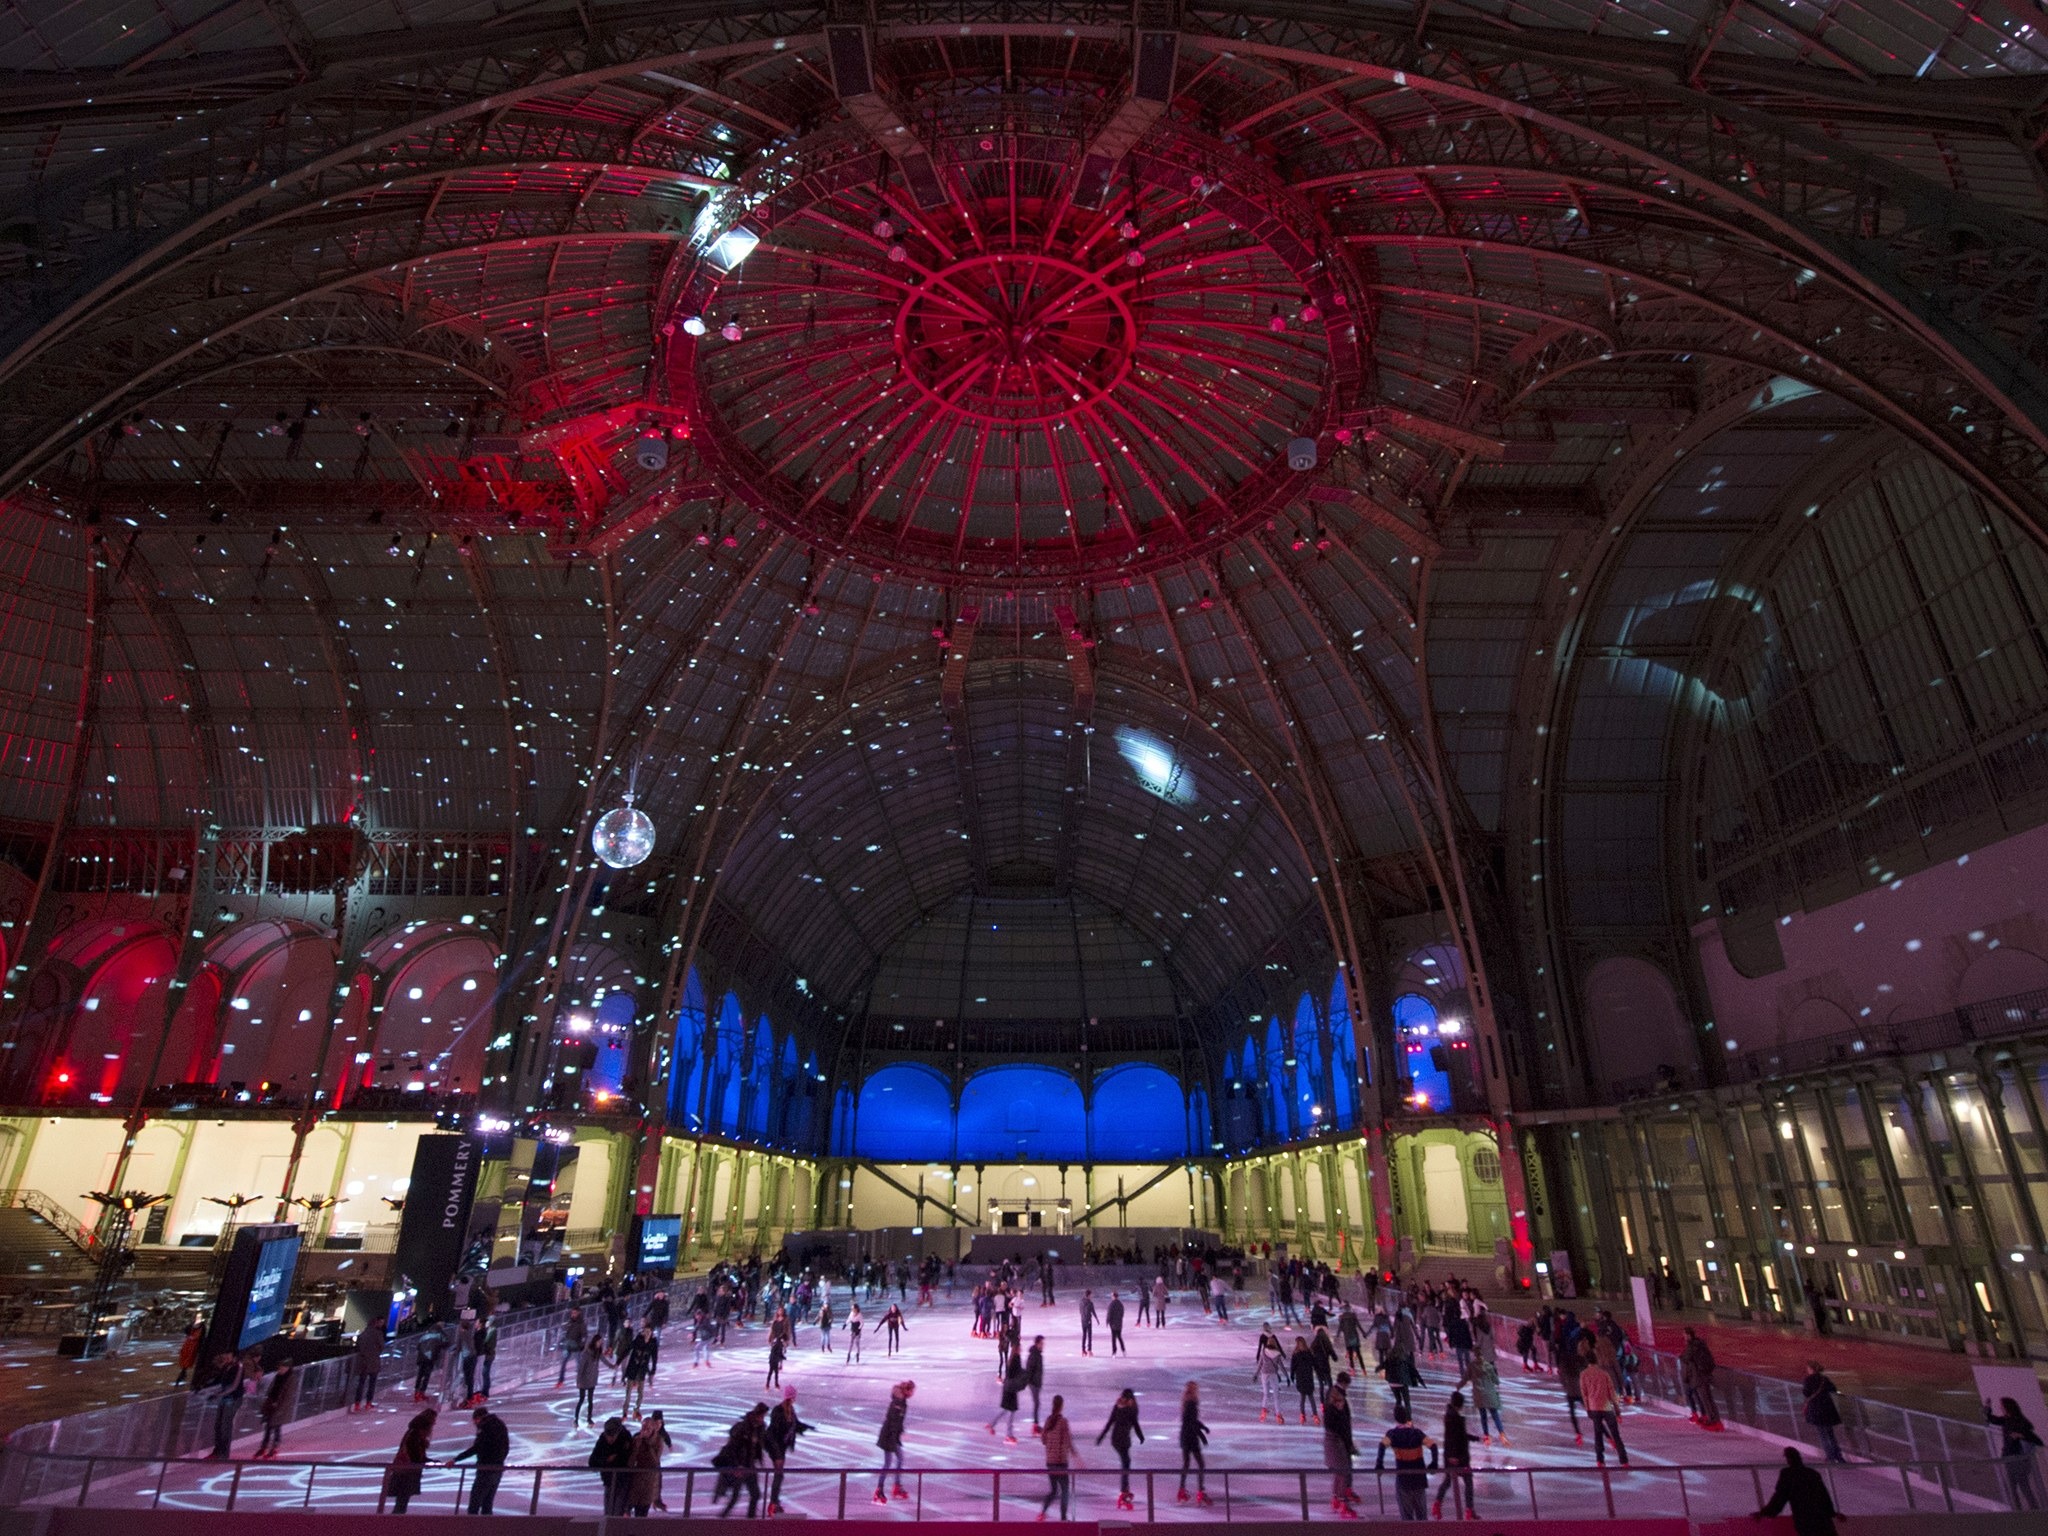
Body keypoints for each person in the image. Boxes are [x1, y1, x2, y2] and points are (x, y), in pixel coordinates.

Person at [1752, 1446, 1839, 1536]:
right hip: (1822, 1519)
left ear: (1788, 1459)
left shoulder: (1788, 1474)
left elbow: (1779, 1498)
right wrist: (1832, 1513)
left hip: (1804, 1520)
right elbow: (1824, 1496)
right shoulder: (1812, 1473)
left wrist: (1764, 1512)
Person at [1374, 1406, 1438, 1521]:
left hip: (1403, 1480)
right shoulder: (1417, 1433)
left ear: (1395, 1418)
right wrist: (1434, 1463)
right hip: (1419, 1480)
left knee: (1407, 1518)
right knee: (1422, 1517)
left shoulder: (1393, 1434)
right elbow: (1433, 1446)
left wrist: (1380, 1463)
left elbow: (1382, 1445)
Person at [449, 1404, 510, 1515]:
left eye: (475, 1421)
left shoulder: (485, 1427)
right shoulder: (500, 1424)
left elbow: (477, 1448)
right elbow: (506, 1447)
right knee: (488, 1502)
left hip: (486, 1469)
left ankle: (472, 1528)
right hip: (498, 1468)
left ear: (478, 1418)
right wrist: (500, 1461)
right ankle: (485, 1528)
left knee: (475, 1501)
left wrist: (456, 1459)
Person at [1987, 1395, 2043, 1510]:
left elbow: (2037, 1440)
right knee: (2014, 1486)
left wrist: (2020, 1435)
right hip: (2009, 1458)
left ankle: (2031, 1510)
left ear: (2007, 1407)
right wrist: (1987, 1408)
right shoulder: (2008, 1419)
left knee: (2020, 1486)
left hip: (2017, 1459)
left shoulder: (2018, 1421)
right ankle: (2021, 1510)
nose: (2000, 1408)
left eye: (2002, 1406)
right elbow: (1992, 1419)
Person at [711, 1405, 767, 1519]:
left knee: (755, 1494)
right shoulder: (743, 1427)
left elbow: (758, 1445)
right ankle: (722, 1518)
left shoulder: (760, 1428)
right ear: (757, 1415)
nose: (763, 1418)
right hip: (740, 1465)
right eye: (762, 1416)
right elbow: (733, 1447)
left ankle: (751, 1519)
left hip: (750, 1465)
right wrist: (737, 1465)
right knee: (735, 1497)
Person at [764, 1388, 811, 1516]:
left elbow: (795, 1424)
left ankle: (774, 1503)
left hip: (781, 1447)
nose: (795, 1399)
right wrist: (777, 1453)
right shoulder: (778, 1411)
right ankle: (773, 1504)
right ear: (790, 1397)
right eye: (793, 1396)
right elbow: (774, 1432)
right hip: (775, 1447)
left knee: (779, 1475)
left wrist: (806, 1427)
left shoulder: (790, 1410)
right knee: (778, 1475)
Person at [1096, 1386, 1144, 1511]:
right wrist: (1140, 1436)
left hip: (1118, 1440)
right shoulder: (1128, 1409)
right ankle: (1123, 1492)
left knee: (1126, 1463)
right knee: (1126, 1463)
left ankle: (1125, 1490)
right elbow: (1134, 1424)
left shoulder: (1120, 1407)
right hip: (1120, 1441)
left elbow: (1110, 1423)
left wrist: (1101, 1437)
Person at [1580, 1350, 1627, 1466]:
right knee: (1616, 1434)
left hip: (1593, 1407)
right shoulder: (1604, 1373)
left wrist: (1588, 1409)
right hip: (1606, 1406)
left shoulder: (1584, 1374)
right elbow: (1611, 1392)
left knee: (1598, 1434)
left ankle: (1600, 1460)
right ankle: (1624, 1460)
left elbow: (1584, 1393)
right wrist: (1617, 1410)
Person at [386, 1408, 436, 1514]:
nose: (434, 1424)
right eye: (433, 1422)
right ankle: (395, 1524)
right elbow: (416, 1457)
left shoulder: (415, 1435)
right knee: (402, 1501)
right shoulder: (415, 1436)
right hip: (406, 1474)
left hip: (407, 1473)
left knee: (402, 1501)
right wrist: (428, 1462)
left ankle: (396, 1522)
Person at [1433, 1389, 1473, 1519]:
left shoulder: (1450, 1416)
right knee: (1468, 1481)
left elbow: (1458, 1437)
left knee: (1448, 1480)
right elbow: (1456, 1438)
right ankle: (1469, 1511)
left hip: (1452, 1455)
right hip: (1458, 1457)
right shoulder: (1455, 1418)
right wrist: (1454, 1456)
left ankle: (1437, 1505)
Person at [1458, 1339, 1506, 1445]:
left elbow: (1465, 1378)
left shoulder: (1472, 1366)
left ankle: (1486, 1436)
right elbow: (1496, 1381)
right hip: (1490, 1394)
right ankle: (1502, 1434)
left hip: (1479, 1395)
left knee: (1483, 1415)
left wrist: (1458, 1386)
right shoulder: (1489, 1366)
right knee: (1495, 1415)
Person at [1323, 1371, 1358, 1517]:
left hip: (1333, 1443)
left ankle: (1336, 1499)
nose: (1343, 1404)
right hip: (1337, 1444)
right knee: (1343, 1473)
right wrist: (1349, 1444)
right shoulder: (1335, 1412)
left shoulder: (1332, 1408)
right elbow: (1343, 1429)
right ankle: (1343, 1502)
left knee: (1339, 1474)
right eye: (1341, 1403)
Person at [873, 1380, 913, 1504]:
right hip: (889, 1436)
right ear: (906, 1390)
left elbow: (898, 1421)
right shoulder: (898, 1403)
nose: (912, 1393)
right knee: (888, 1463)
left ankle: (896, 1486)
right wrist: (894, 1437)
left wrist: (902, 1432)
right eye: (911, 1391)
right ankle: (880, 1490)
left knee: (898, 1460)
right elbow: (892, 1420)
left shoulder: (902, 1402)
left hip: (892, 1436)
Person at [1037, 1394, 1076, 1522]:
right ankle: (1063, 1518)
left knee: (1054, 1490)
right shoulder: (1063, 1422)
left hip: (1050, 1462)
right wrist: (1075, 1454)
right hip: (1060, 1462)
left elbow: (1043, 1439)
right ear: (1062, 1406)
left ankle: (1042, 1512)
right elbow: (1068, 1440)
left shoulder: (1048, 1421)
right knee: (1065, 1490)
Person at [628, 1410, 674, 1517]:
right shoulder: (636, 1438)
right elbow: (630, 1462)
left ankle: (657, 1501)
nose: (644, 1431)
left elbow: (655, 1461)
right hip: (635, 1483)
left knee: (642, 1514)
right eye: (643, 1428)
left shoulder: (658, 1440)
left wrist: (648, 1445)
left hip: (648, 1483)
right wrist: (636, 1447)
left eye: (647, 1428)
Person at [588, 1414, 634, 1518]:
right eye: (608, 1436)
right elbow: (592, 1461)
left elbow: (625, 1461)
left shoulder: (626, 1440)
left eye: (613, 1436)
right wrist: (606, 1460)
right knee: (608, 1514)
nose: (610, 1439)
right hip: (608, 1481)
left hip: (622, 1483)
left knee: (617, 1514)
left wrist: (609, 1461)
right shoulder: (603, 1439)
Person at [205, 1350, 246, 1459]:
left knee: (225, 1425)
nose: (226, 1357)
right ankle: (217, 1450)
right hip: (225, 1398)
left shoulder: (239, 1367)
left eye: (229, 1354)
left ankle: (223, 1453)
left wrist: (218, 1395)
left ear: (234, 1356)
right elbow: (218, 1379)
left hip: (233, 1398)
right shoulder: (227, 1366)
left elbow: (234, 1386)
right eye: (225, 1355)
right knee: (218, 1425)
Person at [1681, 1326, 1724, 1429]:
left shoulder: (1693, 1346)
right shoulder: (1700, 1344)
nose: (1684, 1337)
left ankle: (1713, 1420)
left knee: (1706, 1399)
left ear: (1688, 1335)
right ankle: (1714, 1420)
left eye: (1685, 1335)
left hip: (1699, 1376)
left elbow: (1685, 1357)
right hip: (1703, 1375)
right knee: (1708, 1399)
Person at [1802, 1362, 1846, 1464]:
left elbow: (1806, 1393)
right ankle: (1839, 1457)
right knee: (1830, 1434)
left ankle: (1830, 1457)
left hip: (1816, 1410)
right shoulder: (1824, 1379)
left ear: (1811, 1369)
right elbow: (1834, 1390)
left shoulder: (1808, 1380)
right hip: (1828, 1409)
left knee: (1822, 1435)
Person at [255, 1358, 298, 1459]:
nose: (280, 1369)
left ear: (287, 1368)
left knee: (276, 1427)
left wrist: (280, 1408)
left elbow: (288, 1396)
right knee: (268, 1427)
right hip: (271, 1405)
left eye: (282, 1367)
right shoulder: (278, 1376)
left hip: (280, 1408)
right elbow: (272, 1389)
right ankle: (264, 1447)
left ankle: (274, 1448)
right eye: (279, 1367)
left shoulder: (291, 1379)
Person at [1176, 1380, 1210, 1504]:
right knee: (1200, 1464)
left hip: (1185, 1436)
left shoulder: (1186, 1403)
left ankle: (1181, 1490)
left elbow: (1192, 1421)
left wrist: (1203, 1428)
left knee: (1186, 1464)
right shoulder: (1192, 1404)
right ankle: (1200, 1491)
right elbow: (1193, 1423)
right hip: (1191, 1438)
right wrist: (1202, 1435)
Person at [989, 1347, 1027, 1442]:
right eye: (1020, 1348)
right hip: (1011, 1388)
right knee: (1011, 1410)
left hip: (1008, 1387)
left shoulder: (1011, 1359)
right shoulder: (1016, 1359)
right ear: (1017, 1350)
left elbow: (1013, 1372)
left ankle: (992, 1424)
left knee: (1006, 1410)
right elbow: (1017, 1372)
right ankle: (1008, 1435)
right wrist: (1026, 1374)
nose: (1021, 1349)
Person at [1253, 1329, 1284, 1423]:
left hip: (1264, 1374)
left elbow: (1260, 1364)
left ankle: (1263, 1410)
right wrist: (1287, 1376)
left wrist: (1256, 1374)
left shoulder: (1264, 1352)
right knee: (1276, 1395)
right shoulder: (1277, 1354)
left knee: (1266, 1393)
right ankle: (1278, 1414)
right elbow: (1281, 1366)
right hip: (1273, 1374)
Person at [1291, 1336, 1322, 1424]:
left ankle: (1302, 1415)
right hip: (1308, 1377)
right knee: (1310, 1397)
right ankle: (1315, 1415)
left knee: (1303, 1397)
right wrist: (1318, 1372)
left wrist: (1292, 1375)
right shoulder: (1309, 1353)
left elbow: (1293, 1367)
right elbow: (1315, 1364)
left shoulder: (1296, 1354)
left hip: (1301, 1378)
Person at [557, 1307, 588, 1386]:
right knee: (563, 1362)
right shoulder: (570, 1322)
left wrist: (582, 1345)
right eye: (572, 1313)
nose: (573, 1314)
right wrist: (563, 1343)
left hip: (577, 1345)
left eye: (575, 1313)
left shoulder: (581, 1323)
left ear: (579, 1313)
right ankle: (560, 1380)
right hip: (568, 1345)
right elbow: (566, 1333)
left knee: (578, 1364)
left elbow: (584, 1335)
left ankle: (582, 1379)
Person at [1025, 1335, 1046, 1431]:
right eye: (1041, 1343)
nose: (1043, 1345)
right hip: (1034, 1383)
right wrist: (1032, 1381)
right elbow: (1029, 1370)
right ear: (1037, 1344)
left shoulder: (1038, 1354)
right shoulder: (1034, 1355)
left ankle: (1036, 1425)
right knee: (1037, 1403)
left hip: (1036, 1382)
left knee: (1037, 1403)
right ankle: (1035, 1426)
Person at [174, 1321, 203, 1387]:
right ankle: (183, 1374)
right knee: (186, 1362)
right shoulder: (194, 1335)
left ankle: (183, 1374)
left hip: (190, 1347)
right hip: (191, 1347)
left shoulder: (191, 1337)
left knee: (186, 1362)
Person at [1106, 1291, 1126, 1356]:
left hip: (1113, 1324)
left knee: (1113, 1338)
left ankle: (1114, 1352)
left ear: (1113, 1296)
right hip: (1119, 1323)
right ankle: (1123, 1350)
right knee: (1119, 1337)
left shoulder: (1111, 1304)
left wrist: (1107, 1321)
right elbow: (1122, 1313)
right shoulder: (1120, 1304)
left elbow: (1109, 1313)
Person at [1078, 1291, 1096, 1356]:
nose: (1091, 1296)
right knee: (1089, 1335)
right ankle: (1089, 1350)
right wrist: (1096, 1319)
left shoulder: (1081, 1302)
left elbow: (1080, 1311)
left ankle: (1083, 1350)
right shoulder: (1090, 1303)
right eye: (1091, 1295)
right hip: (1088, 1321)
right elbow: (1093, 1311)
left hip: (1083, 1321)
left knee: (1084, 1335)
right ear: (1088, 1295)